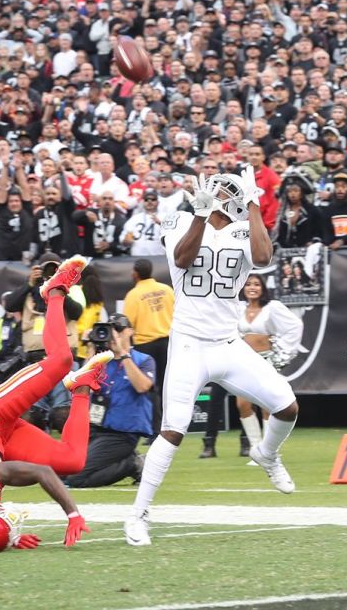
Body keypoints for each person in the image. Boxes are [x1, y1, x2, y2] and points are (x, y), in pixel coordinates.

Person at [126, 170, 300, 547]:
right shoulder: (184, 220)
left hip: (227, 342)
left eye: (232, 191)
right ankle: (137, 516)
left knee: (287, 406)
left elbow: (263, 255)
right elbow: (183, 259)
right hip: (190, 342)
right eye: (224, 188)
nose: (225, 193)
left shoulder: (242, 230)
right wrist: (202, 215)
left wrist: (254, 204)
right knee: (173, 429)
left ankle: (266, 454)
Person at [0, 256, 112, 552]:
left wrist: (73, 513)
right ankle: (81, 388)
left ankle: (55, 292)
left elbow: (41, 473)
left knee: (61, 361)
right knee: (73, 461)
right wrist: (9, 537)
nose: (4, 517)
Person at [65, 314, 156, 488]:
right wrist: (91, 353)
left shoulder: (144, 360)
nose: (114, 335)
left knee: (77, 479)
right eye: (110, 331)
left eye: (118, 330)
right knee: (62, 470)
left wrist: (122, 353)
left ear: (130, 331)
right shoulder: (102, 361)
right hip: (95, 428)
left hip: (122, 433)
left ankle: (133, 464)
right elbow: (80, 390)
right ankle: (127, 460)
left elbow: (143, 386)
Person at [3, 252, 85, 432]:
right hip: (35, 360)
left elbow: (77, 311)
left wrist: (60, 288)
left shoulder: (73, 288)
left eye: (55, 269)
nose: (51, 273)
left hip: (62, 362)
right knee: (33, 415)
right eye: (47, 269)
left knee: (63, 414)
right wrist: (30, 284)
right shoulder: (29, 291)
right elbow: (9, 305)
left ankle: (70, 455)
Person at [231, 274, 305, 461]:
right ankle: (256, 448)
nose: (252, 288)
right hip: (245, 361)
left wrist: (284, 351)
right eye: (248, 284)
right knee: (242, 404)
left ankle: (268, 450)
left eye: (256, 284)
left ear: (263, 288)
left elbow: (295, 325)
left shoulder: (272, 308)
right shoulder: (239, 308)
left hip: (266, 361)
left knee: (267, 405)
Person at [123, 258, 174, 436]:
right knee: (167, 386)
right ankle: (171, 427)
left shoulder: (133, 295)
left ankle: (154, 429)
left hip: (145, 345)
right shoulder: (166, 290)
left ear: (135, 273)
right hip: (167, 343)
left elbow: (128, 324)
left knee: (150, 388)